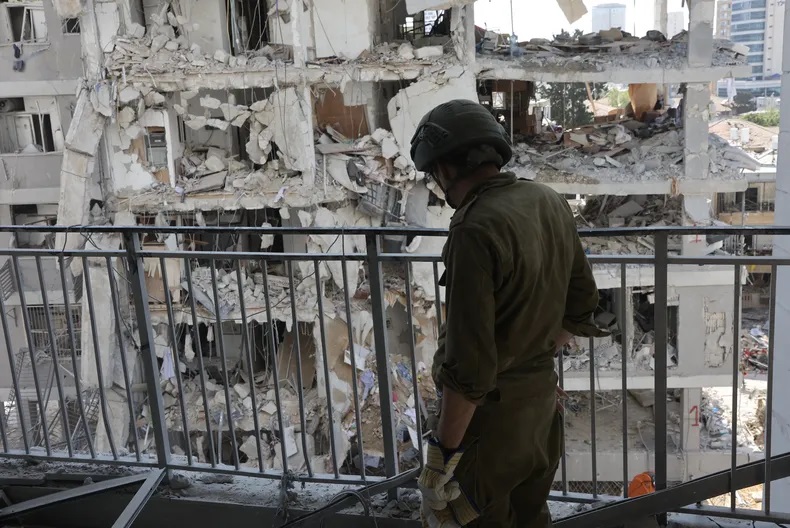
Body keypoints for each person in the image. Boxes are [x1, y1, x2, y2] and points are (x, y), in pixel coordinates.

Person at [411, 100, 607, 528]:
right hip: (541, 416)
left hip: (491, 432)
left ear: (444, 168)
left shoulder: (473, 227)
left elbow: (470, 371)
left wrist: (441, 460)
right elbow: (582, 307)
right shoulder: (547, 200)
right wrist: (528, 357)